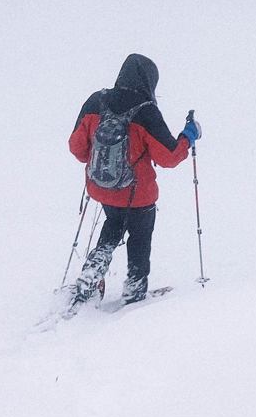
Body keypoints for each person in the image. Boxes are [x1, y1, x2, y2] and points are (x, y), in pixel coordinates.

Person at [67, 53, 197, 305]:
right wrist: (189, 135)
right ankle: (135, 292)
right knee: (139, 237)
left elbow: (76, 146)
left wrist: (96, 161)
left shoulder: (97, 101)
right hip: (139, 195)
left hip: (102, 187)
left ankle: (92, 270)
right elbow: (169, 156)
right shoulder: (146, 112)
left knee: (114, 222)